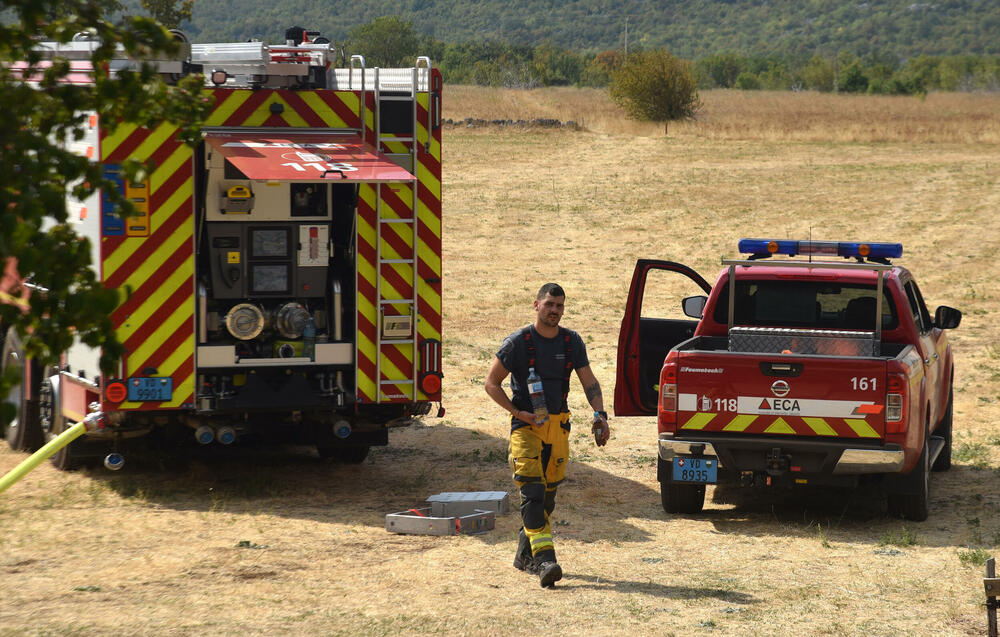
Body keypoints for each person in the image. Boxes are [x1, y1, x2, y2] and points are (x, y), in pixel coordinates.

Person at [484, 282, 611, 588]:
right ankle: (545, 562)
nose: (554, 310)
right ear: (536, 305)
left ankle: (524, 557)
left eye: (560, 306)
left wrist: (600, 415)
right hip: (526, 428)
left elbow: (589, 382)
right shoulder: (518, 343)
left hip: (559, 428)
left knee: (547, 501)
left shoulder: (572, 342)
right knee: (532, 495)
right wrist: (518, 413)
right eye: (549, 304)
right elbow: (491, 383)